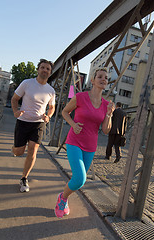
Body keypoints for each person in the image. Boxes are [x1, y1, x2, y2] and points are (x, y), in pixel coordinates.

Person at [55, 68, 115, 218]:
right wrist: (73, 124)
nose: (103, 79)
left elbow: (106, 130)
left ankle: (65, 198)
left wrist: (109, 114)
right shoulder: (80, 97)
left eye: (106, 78)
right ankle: (62, 198)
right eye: (100, 76)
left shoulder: (106, 104)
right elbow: (64, 112)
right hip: (74, 141)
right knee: (80, 178)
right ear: (93, 81)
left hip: (90, 146)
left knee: (80, 181)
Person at [11, 59, 55, 193]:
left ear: (50, 72)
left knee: (33, 149)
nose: (45, 70)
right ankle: (14, 148)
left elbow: (52, 107)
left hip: (38, 124)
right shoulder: (27, 83)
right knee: (19, 152)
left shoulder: (51, 91)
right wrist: (15, 111)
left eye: (47, 69)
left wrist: (48, 116)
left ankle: (24, 178)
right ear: (38, 69)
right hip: (23, 121)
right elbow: (14, 99)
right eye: (42, 67)